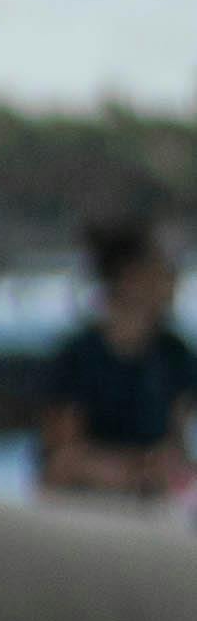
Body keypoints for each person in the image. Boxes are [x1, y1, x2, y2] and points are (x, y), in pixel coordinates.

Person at [38, 196, 195, 508]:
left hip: (154, 509)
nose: (172, 279)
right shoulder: (78, 360)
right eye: (162, 267)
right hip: (88, 512)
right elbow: (60, 462)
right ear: (129, 277)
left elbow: (178, 448)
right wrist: (135, 470)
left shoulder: (173, 356)